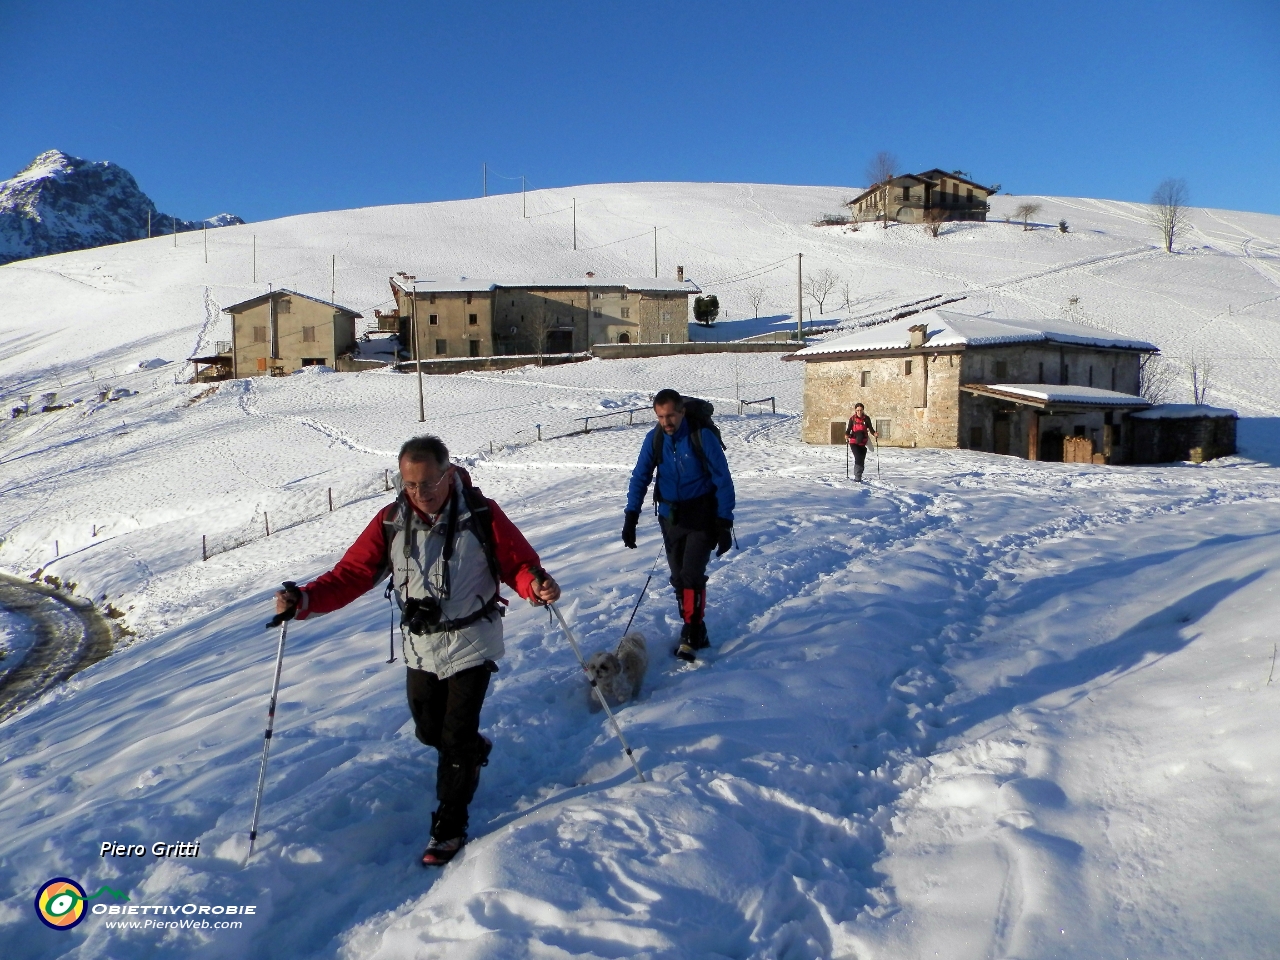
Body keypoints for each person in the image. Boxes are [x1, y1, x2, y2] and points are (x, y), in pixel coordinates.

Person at [272, 435, 561, 866]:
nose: (420, 493)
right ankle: (471, 751)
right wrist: (305, 600)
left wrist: (535, 587)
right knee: (430, 731)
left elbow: (518, 564)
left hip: (472, 639)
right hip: (420, 645)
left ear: (448, 474)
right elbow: (352, 573)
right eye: (409, 485)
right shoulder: (391, 521)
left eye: (428, 483)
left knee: (454, 737)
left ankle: (449, 825)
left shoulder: (481, 514)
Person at [622, 389, 735, 663]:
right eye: (661, 416)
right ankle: (698, 629)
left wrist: (724, 522)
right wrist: (631, 516)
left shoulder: (701, 437)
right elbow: (640, 477)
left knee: (691, 576)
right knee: (678, 579)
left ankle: (691, 634)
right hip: (671, 517)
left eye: (671, 415)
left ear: (682, 411)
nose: (666, 422)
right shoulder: (655, 439)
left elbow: (723, 479)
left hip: (702, 516)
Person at [845, 403, 877, 482]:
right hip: (854, 441)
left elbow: (871, 429)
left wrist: (874, 434)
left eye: (860, 410)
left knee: (861, 459)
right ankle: (857, 477)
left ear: (863, 410)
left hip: (863, 442)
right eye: (857, 410)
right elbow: (849, 429)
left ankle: (859, 474)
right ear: (855, 411)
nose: (859, 412)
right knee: (858, 458)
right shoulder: (852, 419)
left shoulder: (866, 419)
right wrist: (846, 435)